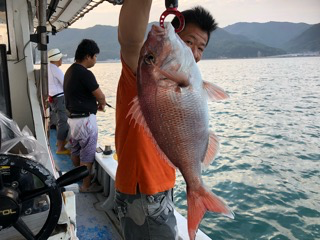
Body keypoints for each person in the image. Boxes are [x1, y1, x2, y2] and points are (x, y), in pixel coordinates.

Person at [114, 0, 218, 239]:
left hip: (160, 189)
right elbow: (130, 41)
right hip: (144, 192)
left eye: (201, 47)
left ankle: (196, 191)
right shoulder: (146, 71)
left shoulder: (188, 76)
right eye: (188, 41)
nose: (194, 52)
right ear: (173, 32)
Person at [63, 39, 106, 193]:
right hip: (85, 121)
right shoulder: (85, 73)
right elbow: (100, 96)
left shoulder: (70, 70)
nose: (95, 60)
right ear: (88, 56)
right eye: (95, 56)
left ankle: (80, 177)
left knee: (75, 150)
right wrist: (102, 104)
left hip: (73, 120)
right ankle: (86, 186)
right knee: (87, 155)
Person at [48, 48, 70, 154]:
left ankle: (58, 142)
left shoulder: (47, 68)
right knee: (63, 122)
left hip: (53, 98)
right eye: (61, 58)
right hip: (60, 98)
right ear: (57, 59)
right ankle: (60, 148)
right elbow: (66, 84)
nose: (61, 60)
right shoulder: (55, 69)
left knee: (58, 120)